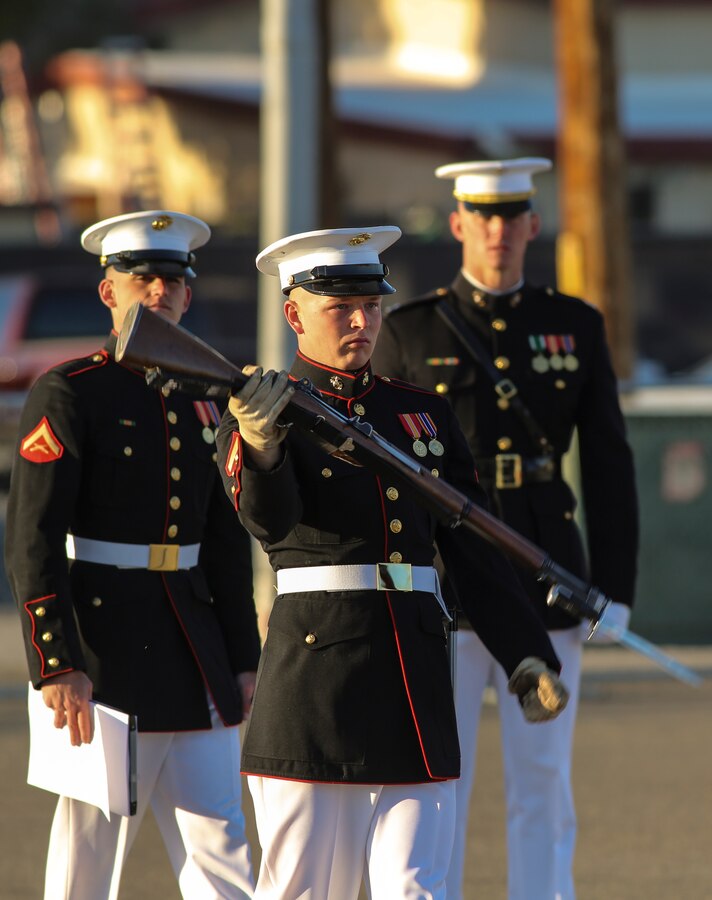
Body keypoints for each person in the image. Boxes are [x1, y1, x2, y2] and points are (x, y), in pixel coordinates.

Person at [214, 225, 569, 900]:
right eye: (339, 307)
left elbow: (471, 546)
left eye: (372, 305)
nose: (361, 320)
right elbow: (269, 522)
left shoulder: (420, 415)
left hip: (413, 678)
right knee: (303, 889)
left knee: (417, 887)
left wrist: (525, 655)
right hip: (316, 684)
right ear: (294, 314)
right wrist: (261, 448)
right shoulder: (263, 411)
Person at [372, 158, 639, 900]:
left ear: (532, 224)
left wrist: (614, 587)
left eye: (510, 216)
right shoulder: (408, 330)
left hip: (545, 577)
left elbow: (610, 464)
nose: (497, 232)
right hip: (447, 585)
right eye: (481, 217)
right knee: (440, 778)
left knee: (542, 780)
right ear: (457, 225)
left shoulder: (573, 326)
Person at [5, 210, 261, 900]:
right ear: (107, 293)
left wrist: (243, 659)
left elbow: (225, 542)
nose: (158, 292)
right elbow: (33, 537)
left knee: (223, 844)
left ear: (186, 293)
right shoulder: (72, 392)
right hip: (103, 656)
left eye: (172, 280)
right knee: (92, 850)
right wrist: (56, 661)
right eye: (141, 277)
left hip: (194, 649)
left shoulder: (209, 396)